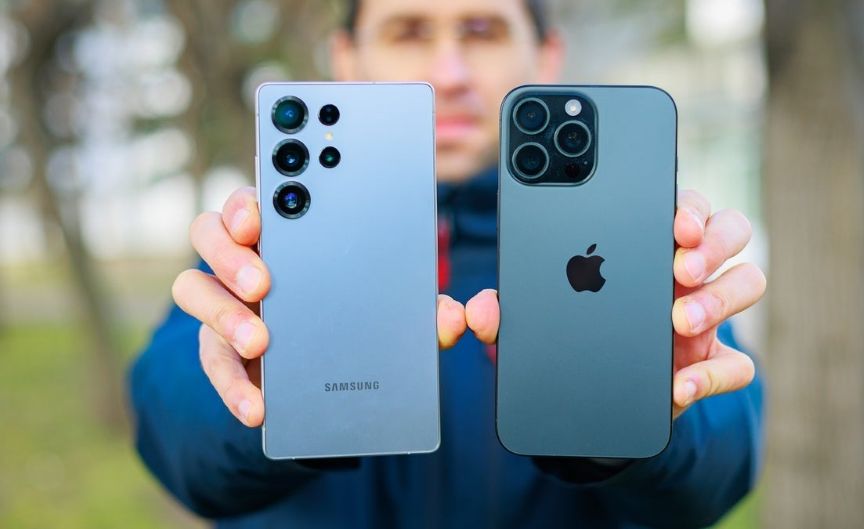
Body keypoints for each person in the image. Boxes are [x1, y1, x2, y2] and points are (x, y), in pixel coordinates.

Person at [129, 0, 767, 527]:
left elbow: (718, 475)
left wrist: (631, 419)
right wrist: (260, 398)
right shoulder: (266, 251)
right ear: (346, 59)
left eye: (483, 31)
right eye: (408, 31)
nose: (450, 72)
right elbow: (176, 437)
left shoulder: (631, 248)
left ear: (546, 57)